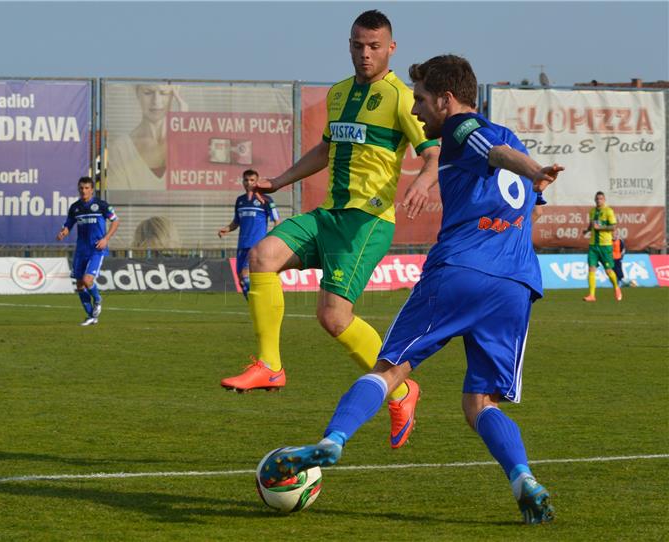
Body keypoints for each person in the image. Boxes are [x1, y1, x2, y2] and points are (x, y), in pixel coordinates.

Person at [259, 54, 563, 525]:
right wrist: (523, 195)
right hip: (517, 284)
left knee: (390, 370)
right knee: (479, 403)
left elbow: (493, 152)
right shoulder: (509, 132)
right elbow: (529, 202)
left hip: (460, 270)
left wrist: (533, 167)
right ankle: (523, 478)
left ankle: (331, 441)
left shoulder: (465, 127)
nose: (417, 111)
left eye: (421, 100)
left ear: (446, 98)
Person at [220, 10, 440, 451]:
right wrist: (279, 182)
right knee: (261, 256)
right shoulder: (339, 94)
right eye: (358, 45)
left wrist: (420, 181)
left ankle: (400, 388)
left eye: (374, 46)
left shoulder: (400, 97)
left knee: (333, 316)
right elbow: (325, 149)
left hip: (366, 221)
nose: (365, 53)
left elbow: (433, 152)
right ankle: (270, 364)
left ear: (391, 48)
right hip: (329, 214)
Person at [57, 176, 119, 326]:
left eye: (86, 188)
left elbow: (116, 221)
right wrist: (64, 232)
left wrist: (106, 239)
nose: (83, 191)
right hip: (81, 250)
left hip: (96, 249)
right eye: (81, 188)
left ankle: (97, 299)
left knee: (87, 280)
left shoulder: (101, 205)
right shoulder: (75, 207)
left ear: (92, 189)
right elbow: (68, 225)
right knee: (79, 285)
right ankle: (91, 316)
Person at [106, 84, 186, 191]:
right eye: (148, 93)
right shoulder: (120, 148)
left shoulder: (186, 142)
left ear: (175, 94)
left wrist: (184, 129)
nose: (156, 102)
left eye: (163, 93)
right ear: (137, 93)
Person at [218, 169, 280, 299]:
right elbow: (236, 221)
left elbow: (277, 221)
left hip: (256, 245)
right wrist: (227, 229)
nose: (248, 183)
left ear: (257, 182)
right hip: (242, 245)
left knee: (246, 275)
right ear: (242, 181)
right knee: (241, 279)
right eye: (246, 180)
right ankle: (256, 304)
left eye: (252, 180)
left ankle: (262, 302)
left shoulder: (266, 200)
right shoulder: (240, 200)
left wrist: (273, 239)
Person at [582, 191, 621, 302]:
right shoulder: (592, 211)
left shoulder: (608, 211)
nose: (599, 200)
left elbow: (613, 227)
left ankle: (616, 287)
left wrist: (600, 228)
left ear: (604, 200)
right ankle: (592, 295)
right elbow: (591, 224)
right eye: (597, 199)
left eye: (601, 199)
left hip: (605, 245)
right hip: (593, 245)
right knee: (591, 269)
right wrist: (587, 230)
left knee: (608, 270)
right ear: (595, 200)